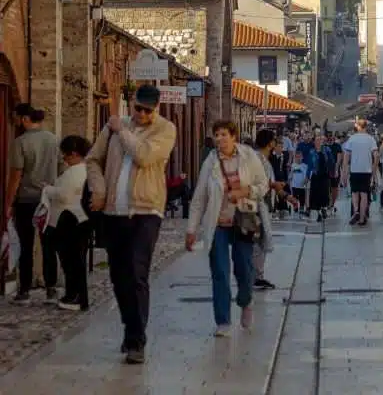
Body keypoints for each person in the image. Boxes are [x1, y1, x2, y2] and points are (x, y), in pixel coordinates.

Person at [86, 85, 176, 364]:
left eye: (148, 110)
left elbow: (145, 156)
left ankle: (137, 340)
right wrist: (99, 190)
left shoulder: (165, 129)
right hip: (114, 212)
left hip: (146, 211)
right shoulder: (114, 126)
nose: (142, 114)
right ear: (132, 103)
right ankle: (130, 329)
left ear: (156, 108)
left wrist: (121, 131)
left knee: (137, 273)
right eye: (138, 108)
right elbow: (93, 160)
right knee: (118, 276)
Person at [186, 120, 268, 335]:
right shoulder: (210, 162)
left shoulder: (248, 156)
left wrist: (245, 191)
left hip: (243, 221)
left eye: (224, 134)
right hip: (218, 224)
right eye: (217, 135)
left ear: (233, 136)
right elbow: (200, 197)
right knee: (220, 272)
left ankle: (245, 300)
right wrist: (192, 229)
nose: (220, 139)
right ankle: (223, 321)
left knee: (244, 268)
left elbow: (263, 185)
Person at [4, 106, 59, 303]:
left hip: (27, 199)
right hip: (48, 199)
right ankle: (51, 288)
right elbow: (61, 168)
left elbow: (16, 176)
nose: (15, 122)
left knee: (26, 245)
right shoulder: (53, 140)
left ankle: (24, 290)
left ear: (25, 119)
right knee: (49, 244)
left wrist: (7, 203)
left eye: (16, 118)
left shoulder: (20, 142)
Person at [42, 135, 91, 311]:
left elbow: (64, 194)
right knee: (71, 261)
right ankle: (73, 294)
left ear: (75, 154)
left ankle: (75, 296)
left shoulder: (76, 172)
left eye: (66, 155)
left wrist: (48, 190)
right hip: (77, 220)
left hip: (71, 221)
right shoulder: (83, 170)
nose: (64, 158)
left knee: (71, 261)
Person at [253, 130, 279, 290]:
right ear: (269, 143)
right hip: (256, 204)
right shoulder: (258, 159)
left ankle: (258, 275)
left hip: (263, 204)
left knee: (260, 240)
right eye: (274, 141)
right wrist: (274, 185)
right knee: (258, 240)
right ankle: (255, 276)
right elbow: (261, 182)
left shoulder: (264, 159)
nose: (275, 143)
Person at [342, 119, 378, 226]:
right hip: (366, 171)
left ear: (358, 126)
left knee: (354, 193)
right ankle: (362, 219)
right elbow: (376, 156)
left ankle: (356, 211)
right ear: (366, 127)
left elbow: (346, 157)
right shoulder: (371, 139)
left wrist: (344, 173)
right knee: (364, 195)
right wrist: (374, 171)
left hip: (355, 170)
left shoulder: (352, 139)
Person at [308, 135, 333, 222]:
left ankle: (324, 209)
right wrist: (307, 176)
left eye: (320, 140)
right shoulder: (311, 152)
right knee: (316, 195)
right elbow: (309, 165)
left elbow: (331, 161)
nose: (318, 142)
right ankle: (318, 214)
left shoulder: (327, 150)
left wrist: (333, 171)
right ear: (314, 142)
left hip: (325, 175)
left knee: (325, 193)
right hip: (315, 175)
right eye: (316, 140)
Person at [289, 150, 309, 216]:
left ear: (302, 157)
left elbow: (307, 176)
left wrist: (305, 182)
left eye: (299, 157)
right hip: (294, 186)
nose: (298, 158)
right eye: (297, 157)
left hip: (302, 186)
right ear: (295, 158)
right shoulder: (293, 165)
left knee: (302, 199)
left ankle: (301, 210)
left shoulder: (305, 166)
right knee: (294, 199)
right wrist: (290, 185)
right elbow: (291, 176)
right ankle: (295, 209)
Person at [328, 134, 343, 214]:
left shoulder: (337, 146)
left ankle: (332, 204)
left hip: (334, 169)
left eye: (332, 138)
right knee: (327, 187)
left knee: (334, 188)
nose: (330, 139)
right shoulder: (325, 146)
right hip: (326, 170)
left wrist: (336, 170)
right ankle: (328, 203)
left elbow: (339, 159)